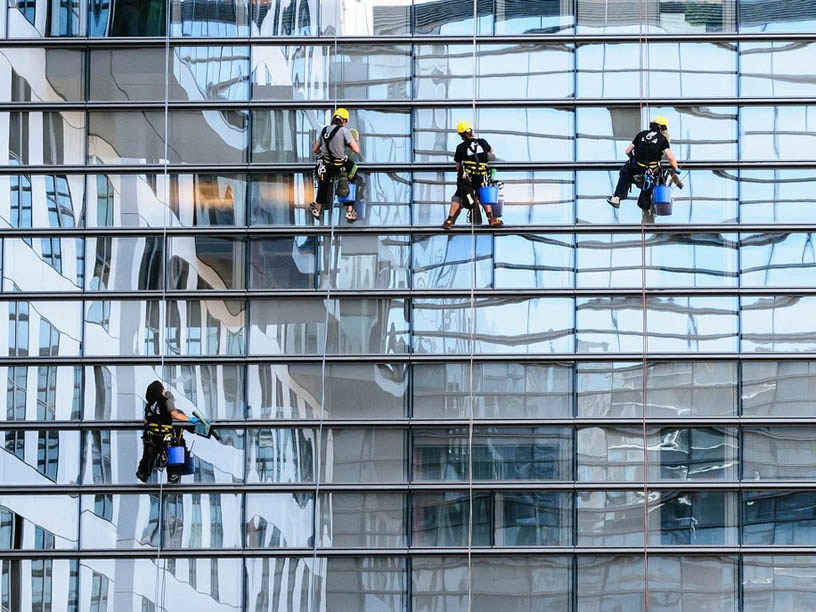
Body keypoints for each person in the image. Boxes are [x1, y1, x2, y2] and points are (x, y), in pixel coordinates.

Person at [607, 115, 680, 211]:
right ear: (662, 128)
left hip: (636, 167)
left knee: (625, 171)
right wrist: (676, 167)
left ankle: (617, 197)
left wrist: (633, 160)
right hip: (652, 171)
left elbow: (628, 151)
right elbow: (670, 157)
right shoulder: (663, 139)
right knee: (652, 181)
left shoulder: (641, 134)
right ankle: (645, 205)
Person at [442, 121, 503, 229]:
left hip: (467, 178)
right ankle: (491, 219)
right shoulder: (483, 142)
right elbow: (491, 152)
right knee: (483, 194)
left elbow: (457, 165)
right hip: (481, 176)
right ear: (471, 131)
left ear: (461, 135)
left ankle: (449, 220)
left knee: (459, 195)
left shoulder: (460, 147)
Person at [136, 380, 198, 483]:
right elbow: (176, 415)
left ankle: (143, 473)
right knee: (176, 446)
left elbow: (146, 421)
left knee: (149, 452)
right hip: (166, 437)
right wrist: (190, 419)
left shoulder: (149, 405)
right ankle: (173, 474)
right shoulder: (167, 402)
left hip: (153, 437)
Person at [309, 108, 362, 223]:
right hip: (340, 164)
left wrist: (325, 152)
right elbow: (356, 150)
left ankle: (318, 209)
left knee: (323, 183)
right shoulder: (344, 131)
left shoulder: (324, 131)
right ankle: (349, 210)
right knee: (354, 177)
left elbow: (315, 149)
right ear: (344, 121)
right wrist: (344, 145)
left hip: (327, 164)